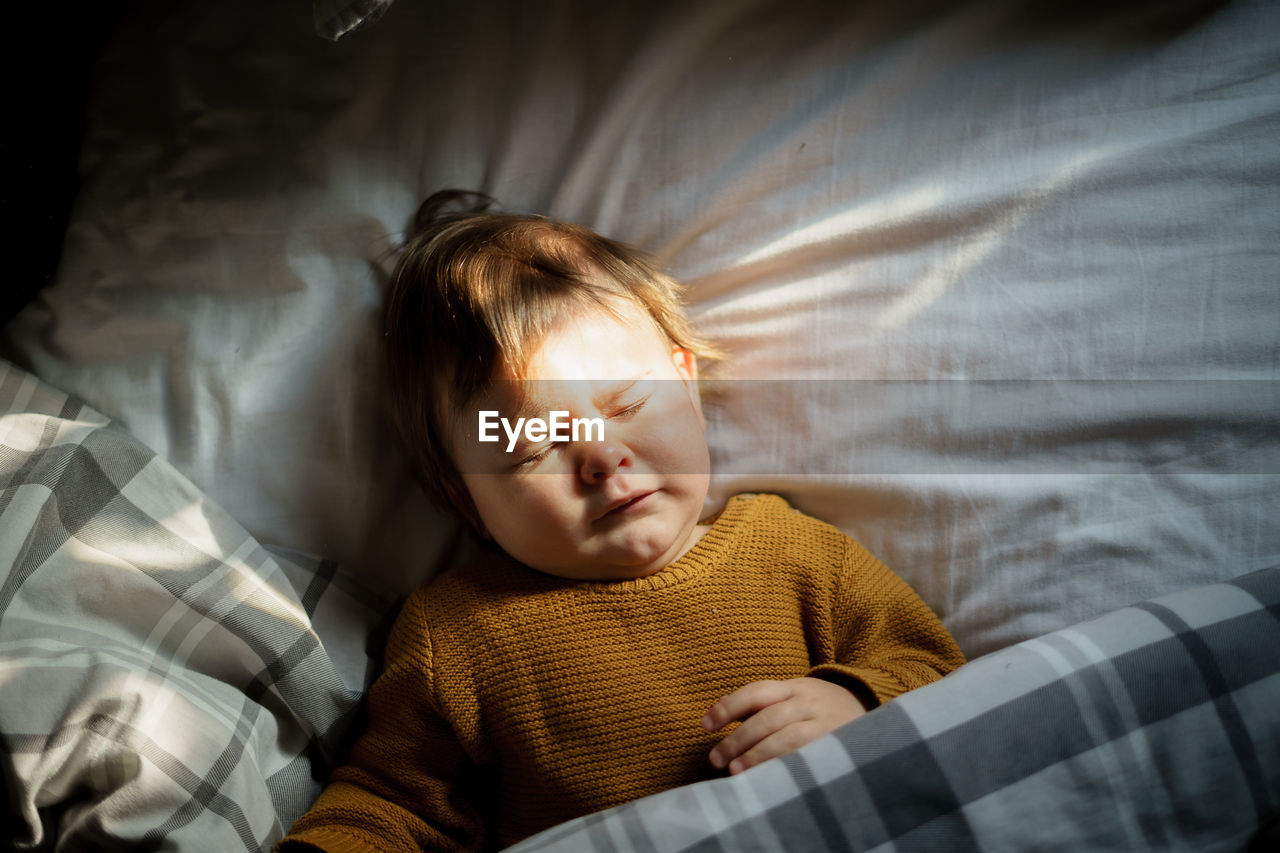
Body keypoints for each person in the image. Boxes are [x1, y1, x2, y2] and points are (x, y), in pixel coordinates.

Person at [277, 191, 965, 852]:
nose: (602, 455)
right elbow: (391, 805)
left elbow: (935, 666)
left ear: (687, 385)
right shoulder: (454, 634)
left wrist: (856, 699)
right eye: (531, 447)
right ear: (466, 500)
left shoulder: (794, 553)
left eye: (630, 403)